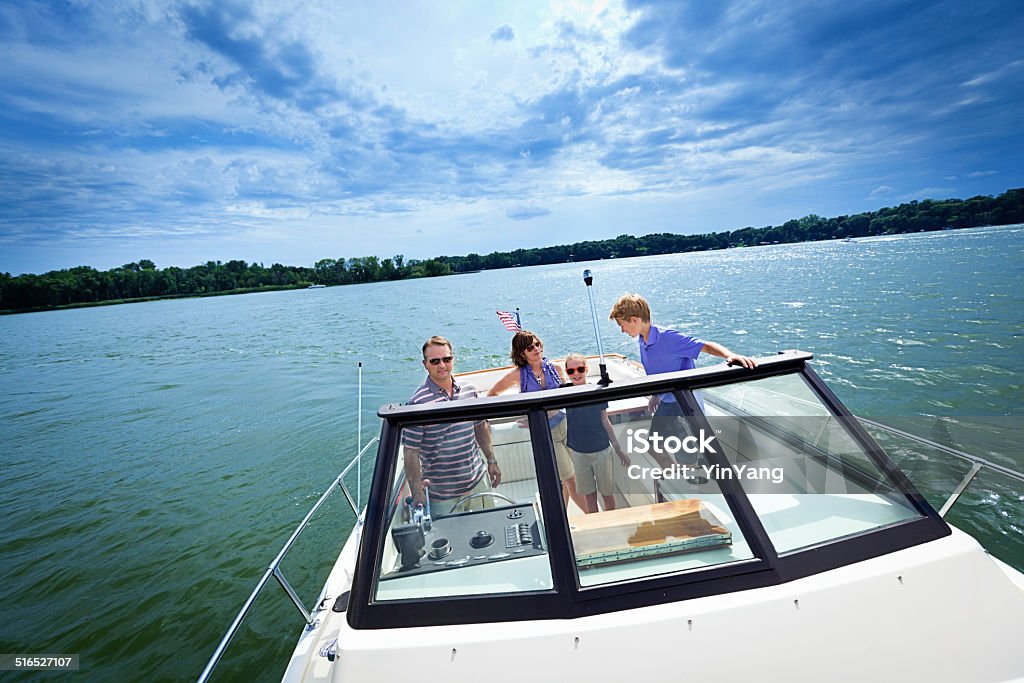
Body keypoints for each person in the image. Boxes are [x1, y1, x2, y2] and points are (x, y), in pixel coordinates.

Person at [608, 294, 757, 473]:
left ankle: (690, 482)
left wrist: (729, 355)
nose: (622, 330)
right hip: (667, 403)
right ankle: (676, 477)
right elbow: (658, 373)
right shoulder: (642, 340)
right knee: (652, 446)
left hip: (684, 405)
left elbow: (704, 346)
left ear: (634, 319)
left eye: (622, 325)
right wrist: (656, 395)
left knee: (686, 456)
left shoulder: (668, 338)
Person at [487, 330, 587, 510]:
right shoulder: (518, 375)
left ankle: (562, 517)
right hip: (546, 433)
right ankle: (593, 517)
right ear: (521, 353)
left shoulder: (555, 369)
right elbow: (493, 395)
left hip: (567, 425)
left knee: (574, 475)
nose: (536, 349)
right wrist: (525, 415)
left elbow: (566, 397)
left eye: (537, 344)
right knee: (570, 479)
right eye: (530, 347)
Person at [403, 336, 501, 512]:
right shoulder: (417, 403)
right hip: (442, 497)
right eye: (435, 361)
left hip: (479, 483)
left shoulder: (469, 391)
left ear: (453, 359)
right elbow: (411, 452)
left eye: (446, 359)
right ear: (425, 364)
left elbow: (480, 426)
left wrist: (491, 460)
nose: (442, 365)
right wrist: (417, 492)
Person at [563, 353, 630, 513]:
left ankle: (611, 522)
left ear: (586, 369)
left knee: (607, 494)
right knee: (590, 497)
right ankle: (596, 525)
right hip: (579, 453)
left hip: (601, 451)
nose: (576, 374)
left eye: (580, 369)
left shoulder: (596, 391)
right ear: (566, 373)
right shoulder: (563, 392)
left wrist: (618, 449)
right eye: (571, 371)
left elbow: (605, 422)